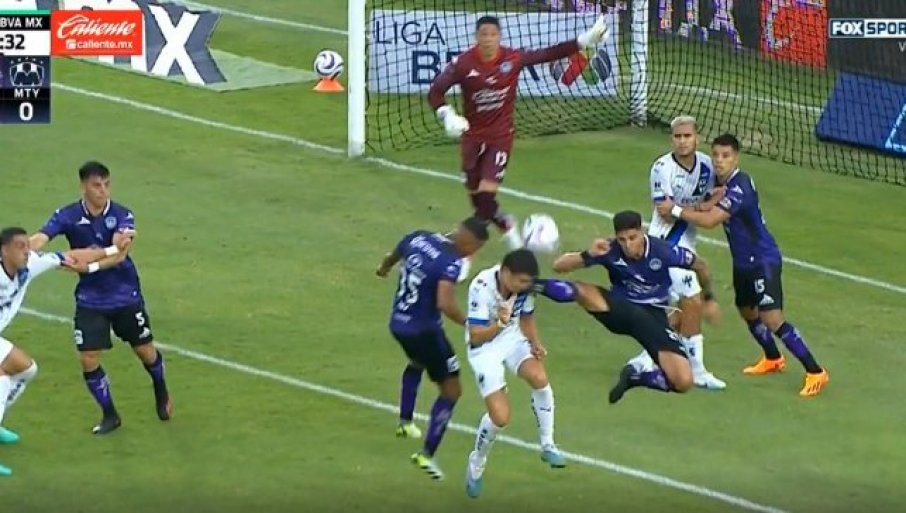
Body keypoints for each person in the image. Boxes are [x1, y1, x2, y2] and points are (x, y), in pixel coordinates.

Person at [427, 14, 609, 281]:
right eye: (483, 34)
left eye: (493, 34)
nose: (488, 39)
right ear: (476, 37)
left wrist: (584, 40)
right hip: (471, 137)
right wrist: (447, 114)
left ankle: (466, 253)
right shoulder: (463, 64)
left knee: (485, 198)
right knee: (478, 198)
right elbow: (435, 91)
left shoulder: (512, 59)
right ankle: (506, 224)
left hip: (500, 137)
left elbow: (548, 54)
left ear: (499, 37)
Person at [655, 134, 829, 397]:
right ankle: (773, 358)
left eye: (726, 156)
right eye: (716, 155)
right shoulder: (719, 183)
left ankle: (816, 371)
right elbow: (705, 203)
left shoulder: (741, 185)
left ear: (736, 158)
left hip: (762, 259)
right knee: (747, 311)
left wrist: (675, 210)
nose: (719, 161)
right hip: (742, 262)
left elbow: (711, 220)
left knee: (772, 318)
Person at [29, 161, 170, 435]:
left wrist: (88, 266)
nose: (103, 190)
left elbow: (119, 254)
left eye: (106, 184)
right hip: (90, 299)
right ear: (83, 186)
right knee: (88, 358)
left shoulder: (122, 214)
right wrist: (24, 250)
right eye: (96, 185)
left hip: (124, 295)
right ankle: (110, 415)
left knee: (145, 351)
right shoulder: (68, 215)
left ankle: (160, 386)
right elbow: (41, 237)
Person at [533, 210, 714, 403]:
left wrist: (708, 297)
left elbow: (700, 266)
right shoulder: (609, 249)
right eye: (622, 240)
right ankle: (529, 284)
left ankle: (635, 377)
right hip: (619, 309)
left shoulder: (663, 251)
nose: (627, 245)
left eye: (632, 238)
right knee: (581, 290)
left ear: (642, 232)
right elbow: (559, 266)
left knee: (684, 381)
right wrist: (587, 254)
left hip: (653, 318)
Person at [0, 226, 129, 475]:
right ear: (4, 251)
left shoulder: (29, 266)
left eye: (27, 245)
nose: (27, 251)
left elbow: (72, 256)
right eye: (20, 247)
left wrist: (113, 249)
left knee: (26, 370)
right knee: (5, 373)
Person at [376, 218, 489, 480]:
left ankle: (405, 422)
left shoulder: (419, 237)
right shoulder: (450, 262)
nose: (472, 253)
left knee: (417, 361)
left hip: (398, 324)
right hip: (425, 331)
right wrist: (470, 323)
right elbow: (445, 303)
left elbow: (393, 256)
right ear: (467, 240)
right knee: (452, 389)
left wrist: (383, 268)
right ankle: (426, 454)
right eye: (475, 248)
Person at [464, 249, 564, 499]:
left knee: (539, 378)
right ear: (506, 273)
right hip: (484, 348)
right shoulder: (481, 286)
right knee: (500, 418)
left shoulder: (524, 287)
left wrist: (535, 342)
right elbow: (475, 336)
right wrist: (499, 324)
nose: (524, 287)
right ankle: (477, 461)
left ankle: (548, 444)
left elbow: (526, 317)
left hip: (512, 337)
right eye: (521, 281)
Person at [637, 115, 725, 390]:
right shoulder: (662, 168)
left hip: (687, 239)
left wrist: (696, 206)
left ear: (697, 137)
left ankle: (645, 358)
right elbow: (666, 212)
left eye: (687, 136)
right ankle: (696, 370)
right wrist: (701, 208)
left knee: (675, 312)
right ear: (671, 139)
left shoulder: (707, 165)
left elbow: (718, 194)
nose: (682, 141)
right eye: (677, 136)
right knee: (692, 300)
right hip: (666, 242)